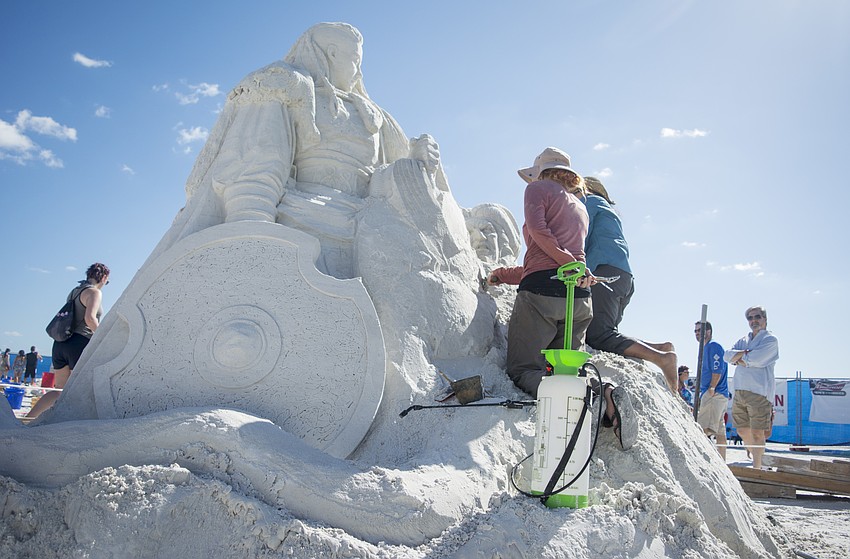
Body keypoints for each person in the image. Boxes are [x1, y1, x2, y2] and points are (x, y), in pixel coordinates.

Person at [487, 147, 596, 398]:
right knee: (567, 371)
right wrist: (504, 274)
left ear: (541, 173)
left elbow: (538, 233)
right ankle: (600, 396)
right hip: (578, 297)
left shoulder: (537, 189)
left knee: (524, 370)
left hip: (543, 294)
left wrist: (566, 261)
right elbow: (547, 259)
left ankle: (560, 399)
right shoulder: (580, 207)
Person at [580, 176, 678, 393]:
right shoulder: (609, 211)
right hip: (622, 276)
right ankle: (660, 348)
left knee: (598, 335)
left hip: (604, 272)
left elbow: (581, 238)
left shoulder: (589, 203)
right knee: (608, 334)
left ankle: (661, 358)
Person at [27, 263, 110, 419]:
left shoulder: (74, 292)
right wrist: (102, 337)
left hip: (60, 344)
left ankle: (29, 419)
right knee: (81, 390)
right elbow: (90, 319)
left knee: (60, 391)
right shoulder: (94, 292)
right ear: (104, 277)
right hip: (79, 343)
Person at [724, 305, 779, 469]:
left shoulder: (770, 340)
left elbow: (756, 360)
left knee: (757, 432)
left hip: (759, 392)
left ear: (765, 319)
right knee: (741, 430)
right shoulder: (744, 340)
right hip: (740, 390)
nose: (753, 320)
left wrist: (739, 358)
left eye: (757, 317)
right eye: (750, 318)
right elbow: (727, 355)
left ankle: (758, 468)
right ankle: (756, 453)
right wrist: (744, 356)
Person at [694, 321, 730, 459]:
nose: (697, 333)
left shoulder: (713, 346)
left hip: (714, 394)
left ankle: (702, 459)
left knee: (704, 429)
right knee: (720, 431)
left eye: (700, 330)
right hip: (717, 394)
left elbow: (717, 368)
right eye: (695, 331)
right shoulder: (707, 347)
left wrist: (712, 387)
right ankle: (722, 462)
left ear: (708, 331)